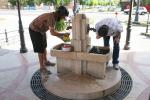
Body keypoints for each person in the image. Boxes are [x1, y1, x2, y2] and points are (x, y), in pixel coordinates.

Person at [29, 6, 69, 74]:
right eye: (64, 16)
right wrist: (63, 34)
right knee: (40, 49)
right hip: (34, 30)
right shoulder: (52, 17)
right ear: (60, 14)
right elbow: (52, 33)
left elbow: (53, 31)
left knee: (44, 46)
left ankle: (46, 62)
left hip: (41, 30)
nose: (64, 18)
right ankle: (42, 67)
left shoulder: (55, 17)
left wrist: (62, 37)